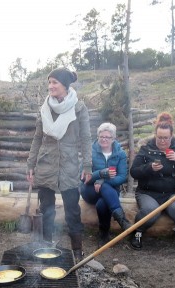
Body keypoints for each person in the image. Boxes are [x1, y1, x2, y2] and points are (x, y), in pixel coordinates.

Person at [27, 67, 92, 260]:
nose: (51, 86)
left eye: (55, 82)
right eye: (50, 82)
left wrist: (88, 165)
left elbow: (86, 138)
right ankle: (46, 247)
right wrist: (30, 164)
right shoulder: (45, 108)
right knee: (46, 208)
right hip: (46, 165)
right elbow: (37, 138)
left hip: (69, 166)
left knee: (72, 209)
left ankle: (77, 251)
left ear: (65, 85)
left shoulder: (79, 108)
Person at [129, 112, 175, 250]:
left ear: (171, 136)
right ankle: (137, 233)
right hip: (148, 192)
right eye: (159, 137)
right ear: (155, 135)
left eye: (166, 138)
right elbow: (133, 171)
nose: (162, 141)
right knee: (150, 211)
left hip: (174, 193)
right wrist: (149, 168)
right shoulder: (146, 149)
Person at [80, 122, 131, 247]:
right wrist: (100, 174)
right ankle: (122, 220)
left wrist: (102, 181)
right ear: (98, 137)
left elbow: (121, 177)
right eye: (101, 136)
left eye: (107, 137)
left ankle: (104, 234)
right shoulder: (90, 152)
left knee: (102, 205)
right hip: (90, 190)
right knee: (104, 190)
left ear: (113, 139)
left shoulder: (120, 154)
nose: (104, 139)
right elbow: (83, 178)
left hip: (110, 191)